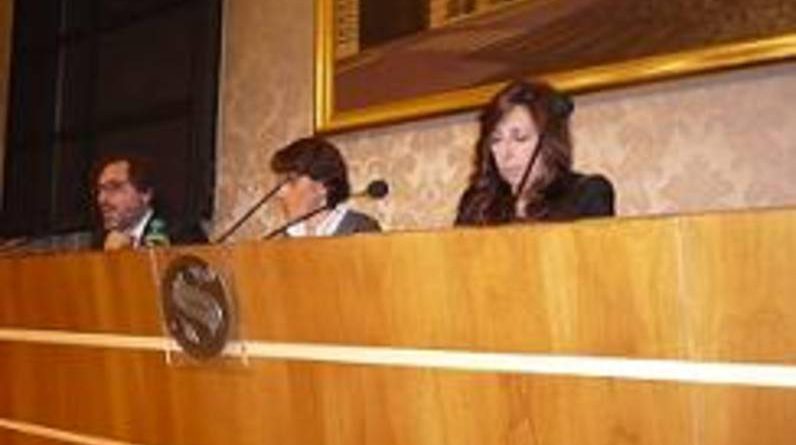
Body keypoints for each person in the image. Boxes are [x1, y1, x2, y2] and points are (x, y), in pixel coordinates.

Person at [455, 80, 614, 225]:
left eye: (520, 139)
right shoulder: (477, 202)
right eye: (496, 140)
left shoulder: (586, 194)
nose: (506, 154)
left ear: (549, 143)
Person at [270, 137, 381, 237]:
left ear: (322, 185)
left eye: (291, 181)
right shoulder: (284, 238)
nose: (280, 193)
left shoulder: (362, 231)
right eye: (279, 184)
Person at [93, 156, 207, 250]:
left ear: (145, 194)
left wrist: (127, 256)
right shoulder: (100, 241)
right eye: (100, 190)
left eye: (114, 188)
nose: (102, 199)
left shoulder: (181, 233)